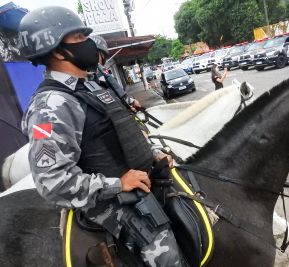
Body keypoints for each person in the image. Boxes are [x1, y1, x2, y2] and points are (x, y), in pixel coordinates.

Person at [18, 6, 187, 267]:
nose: (88, 43)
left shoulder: (92, 85)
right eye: (78, 38)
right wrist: (117, 184)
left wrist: (152, 153)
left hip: (139, 177)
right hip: (106, 199)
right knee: (165, 252)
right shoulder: (50, 106)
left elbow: (122, 131)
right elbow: (51, 181)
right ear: (57, 50)